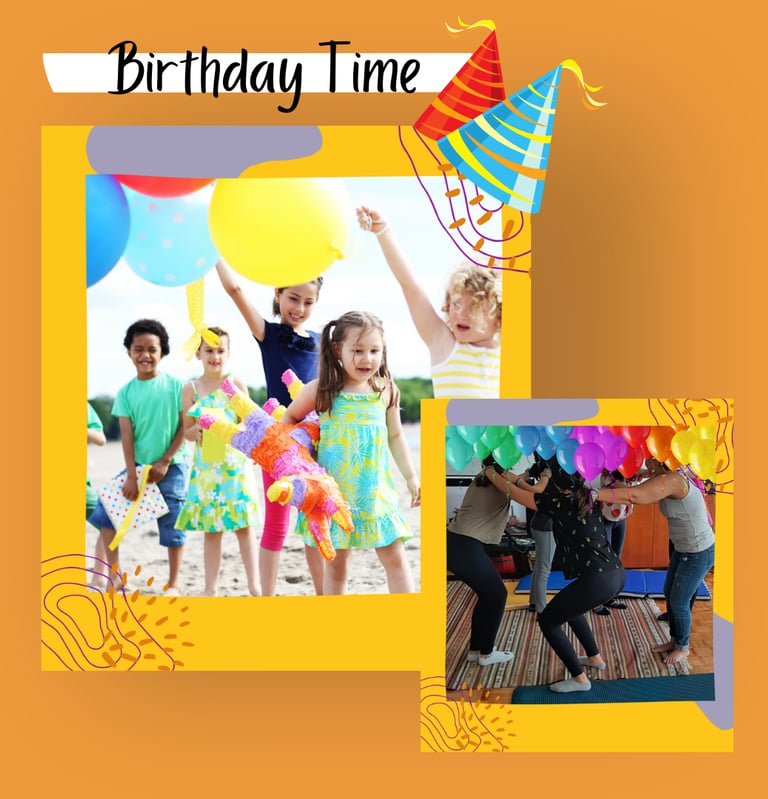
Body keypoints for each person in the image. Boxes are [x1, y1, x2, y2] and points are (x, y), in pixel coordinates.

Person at [282, 311, 420, 595]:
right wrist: (299, 459)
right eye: (357, 351)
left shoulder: (386, 390)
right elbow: (289, 418)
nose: (366, 359)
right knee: (337, 565)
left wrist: (411, 477)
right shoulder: (324, 390)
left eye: (374, 351)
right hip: (335, 494)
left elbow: (395, 435)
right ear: (337, 349)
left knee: (395, 557)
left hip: (375, 493)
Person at [216, 259, 325, 595]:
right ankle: (266, 597)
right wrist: (213, 254)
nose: (300, 308)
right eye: (293, 298)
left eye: (308, 301)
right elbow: (235, 290)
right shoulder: (269, 334)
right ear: (278, 295)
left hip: (317, 439)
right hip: (277, 437)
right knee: (277, 524)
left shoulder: (324, 341)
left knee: (315, 520)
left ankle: (325, 596)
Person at [483, 459, 625, 693]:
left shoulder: (557, 501)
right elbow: (522, 488)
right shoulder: (588, 495)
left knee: (548, 621)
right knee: (571, 609)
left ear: (556, 483)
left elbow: (516, 494)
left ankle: (580, 680)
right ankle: (595, 658)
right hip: (615, 573)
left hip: (598, 579)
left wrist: (490, 472)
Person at [356, 206, 501, 398]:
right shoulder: (445, 344)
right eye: (456, 304)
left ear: (498, 315)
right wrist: (383, 231)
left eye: (474, 307)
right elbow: (411, 287)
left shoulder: (515, 351)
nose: (461, 314)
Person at [88, 319, 189, 595]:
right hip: (138, 468)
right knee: (104, 515)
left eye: (152, 349)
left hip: (174, 466)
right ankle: (116, 576)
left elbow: (184, 426)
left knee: (173, 526)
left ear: (163, 352)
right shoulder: (125, 393)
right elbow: (127, 437)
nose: (145, 355)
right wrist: (132, 475)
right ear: (129, 352)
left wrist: (166, 460)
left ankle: (175, 582)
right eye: (138, 349)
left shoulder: (178, 386)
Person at [596, 457, 715, 665]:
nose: (646, 465)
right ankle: (674, 640)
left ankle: (683, 647)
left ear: (661, 460)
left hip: (698, 551)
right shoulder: (663, 477)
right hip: (684, 548)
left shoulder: (675, 480)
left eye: (650, 460)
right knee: (670, 593)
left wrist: (593, 494)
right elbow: (629, 488)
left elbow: (635, 495)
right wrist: (613, 484)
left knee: (678, 601)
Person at [175, 327, 261, 597]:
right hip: (207, 469)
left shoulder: (236, 384)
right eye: (209, 350)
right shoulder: (191, 388)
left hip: (235, 466)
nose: (215, 356)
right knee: (212, 530)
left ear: (229, 353)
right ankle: (210, 588)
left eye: (220, 350)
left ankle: (254, 585)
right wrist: (195, 431)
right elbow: (186, 431)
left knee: (244, 527)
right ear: (198, 353)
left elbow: (249, 422)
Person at [447, 455, 539, 666]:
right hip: (465, 547)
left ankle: (475, 650)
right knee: (497, 595)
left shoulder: (486, 475)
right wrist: (544, 476)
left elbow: (515, 480)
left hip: (457, 543)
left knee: (488, 595)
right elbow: (530, 497)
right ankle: (486, 654)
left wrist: (530, 473)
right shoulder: (499, 480)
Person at [515, 457, 555, 616]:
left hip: (539, 524)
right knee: (544, 568)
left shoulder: (545, 480)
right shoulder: (547, 482)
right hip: (546, 527)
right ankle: (541, 609)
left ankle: (534, 602)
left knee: (540, 566)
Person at [593, 469, 634, 615]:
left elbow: (645, 473)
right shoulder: (608, 472)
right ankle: (597, 601)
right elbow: (618, 487)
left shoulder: (630, 471)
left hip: (621, 520)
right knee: (604, 560)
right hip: (606, 519)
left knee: (616, 557)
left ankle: (610, 597)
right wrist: (641, 492)